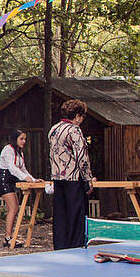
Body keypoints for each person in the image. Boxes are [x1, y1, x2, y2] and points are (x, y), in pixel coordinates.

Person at [48, 99, 95, 249]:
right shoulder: (74, 130)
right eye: (82, 116)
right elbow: (82, 157)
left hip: (57, 176)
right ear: (77, 116)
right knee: (76, 215)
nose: (82, 120)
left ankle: (60, 246)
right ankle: (76, 246)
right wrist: (87, 178)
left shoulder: (53, 129)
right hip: (73, 178)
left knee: (60, 215)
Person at [0, 129, 41, 248]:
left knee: (14, 209)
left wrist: (33, 179)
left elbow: (23, 169)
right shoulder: (8, 150)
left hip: (12, 181)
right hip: (4, 180)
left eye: (25, 139)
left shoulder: (19, 152)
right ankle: (8, 237)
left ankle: (10, 236)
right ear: (15, 139)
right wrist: (25, 178)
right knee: (14, 208)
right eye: (21, 139)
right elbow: (12, 168)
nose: (24, 141)